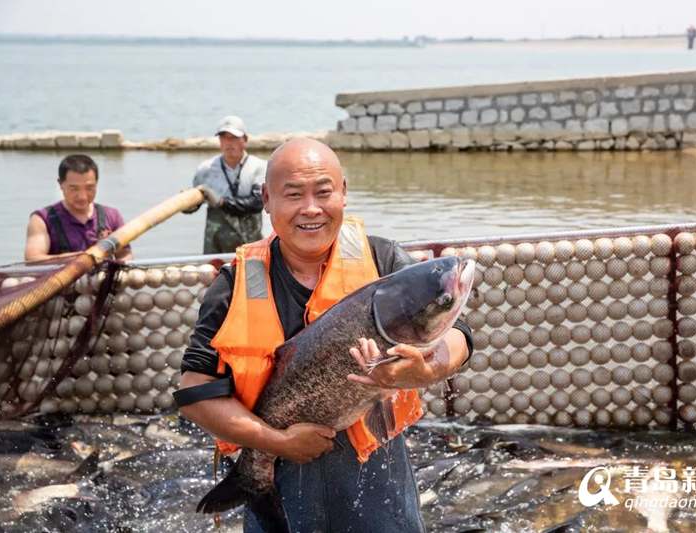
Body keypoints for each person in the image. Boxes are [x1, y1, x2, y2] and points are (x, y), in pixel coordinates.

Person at [176, 138, 473, 532]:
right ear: (266, 199)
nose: (311, 208)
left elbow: (462, 338)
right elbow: (195, 392)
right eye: (294, 194)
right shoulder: (233, 285)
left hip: (377, 478)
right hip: (281, 476)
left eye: (324, 192)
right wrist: (276, 443)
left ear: (345, 193)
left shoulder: (383, 261)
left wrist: (425, 370)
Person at [25, 154, 132, 262]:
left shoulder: (112, 216)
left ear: (97, 183)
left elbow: (124, 254)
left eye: (89, 188)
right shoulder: (42, 220)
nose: (82, 196)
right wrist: (80, 258)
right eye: (74, 188)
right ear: (61, 184)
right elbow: (32, 259)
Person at [190, 115, 267, 254]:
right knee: (213, 273)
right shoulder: (205, 169)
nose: (228, 143)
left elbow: (257, 203)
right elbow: (194, 205)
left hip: (251, 244)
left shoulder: (259, 167)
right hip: (216, 245)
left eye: (234, 137)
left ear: (245, 140)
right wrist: (187, 203)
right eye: (224, 137)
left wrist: (221, 203)